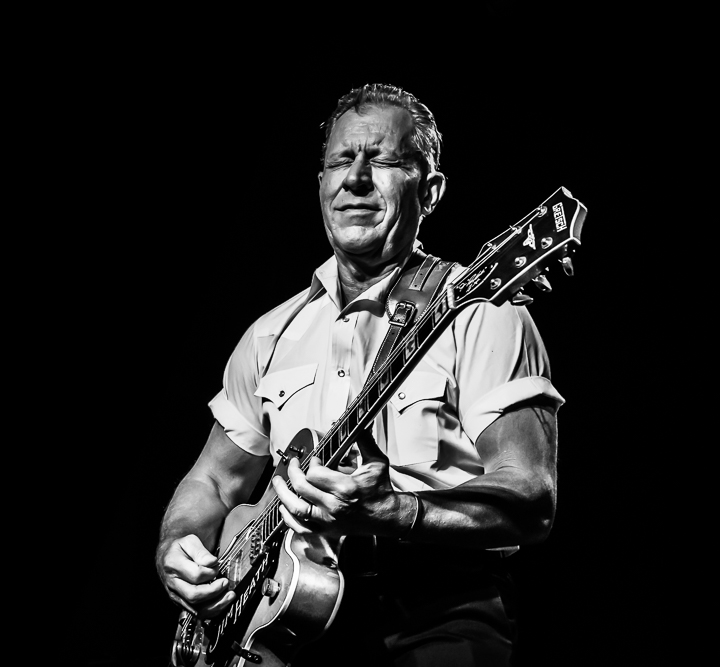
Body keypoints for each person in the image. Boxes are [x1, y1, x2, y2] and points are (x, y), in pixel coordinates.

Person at [155, 83, 562, 666]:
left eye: (386, 160)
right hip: (293, 628)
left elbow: (531, 497)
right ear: (320, 182)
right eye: (341, 160)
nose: (357, 179)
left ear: (431, 189)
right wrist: (179, 550)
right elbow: (214, 484)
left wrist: (395, 512)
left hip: (437, 616)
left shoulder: (483, 316)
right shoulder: (270, 335)